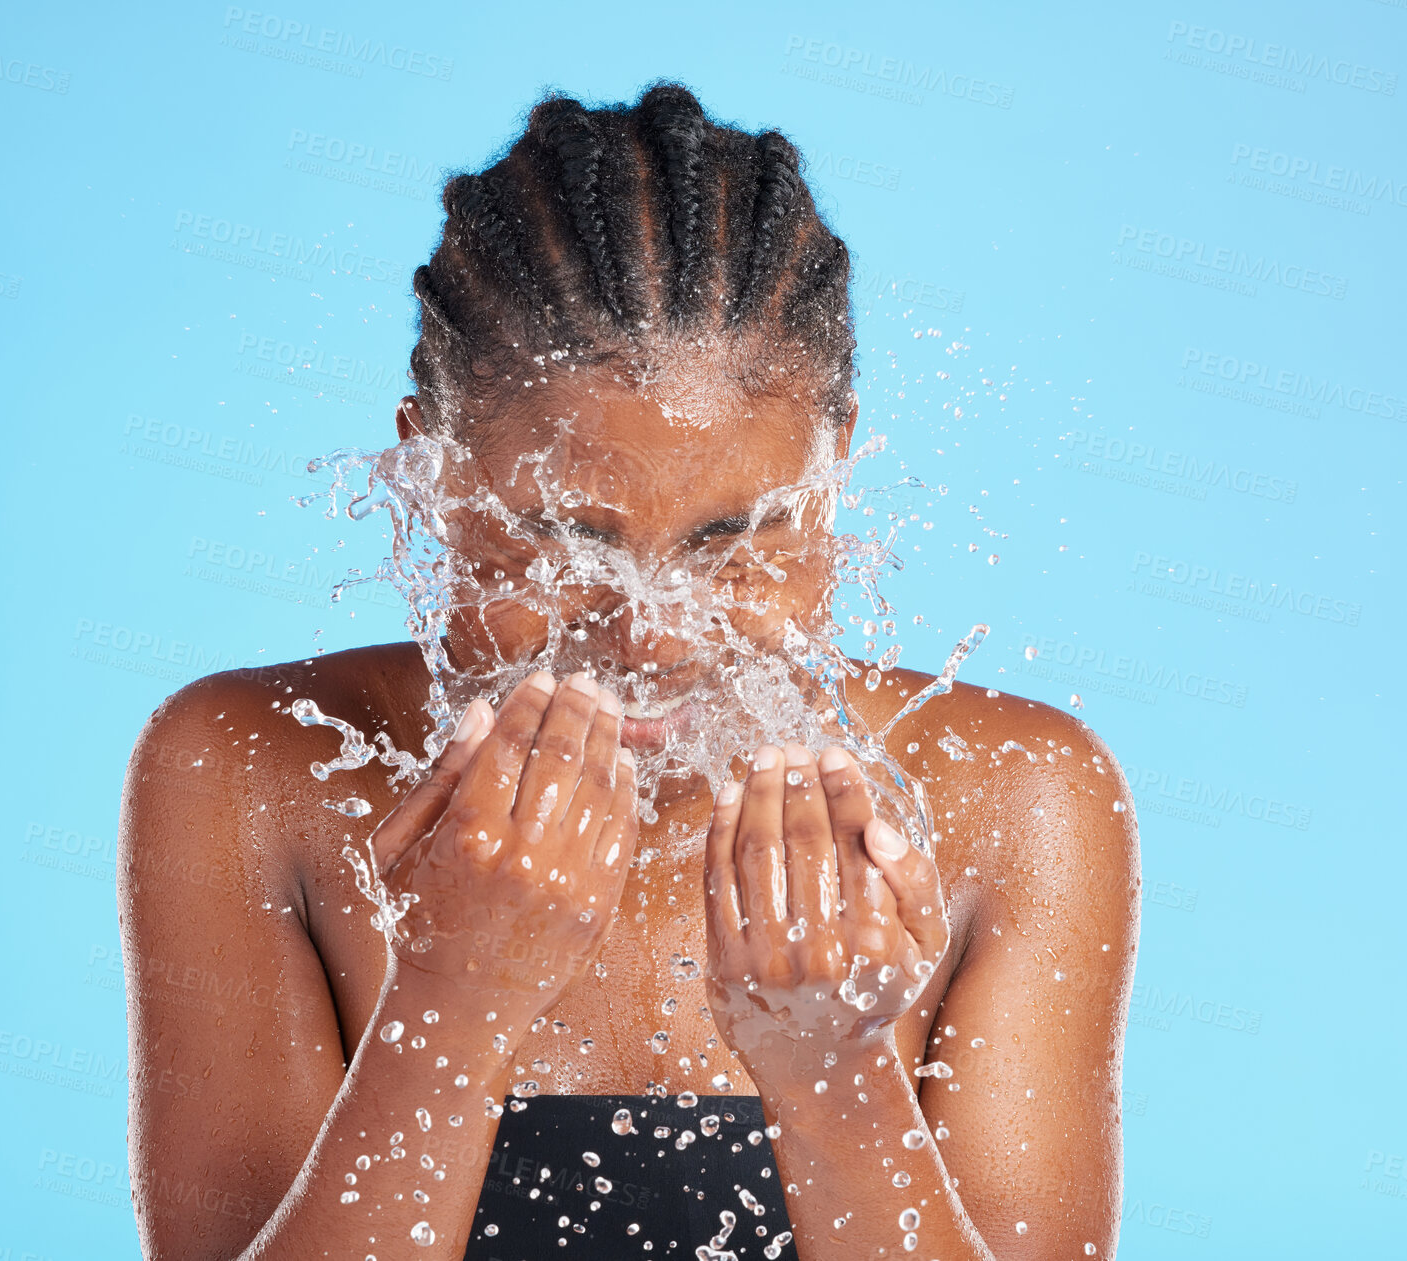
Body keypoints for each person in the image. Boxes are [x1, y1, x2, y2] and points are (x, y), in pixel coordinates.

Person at [117, 80, 1139, 1261]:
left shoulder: (1013, 794)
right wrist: (450, 1001)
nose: (652, 639)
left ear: (833, 471)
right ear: (433, 474)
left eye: (735, 541)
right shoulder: (252, 765)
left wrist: (833, 1074)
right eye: (562, 542)